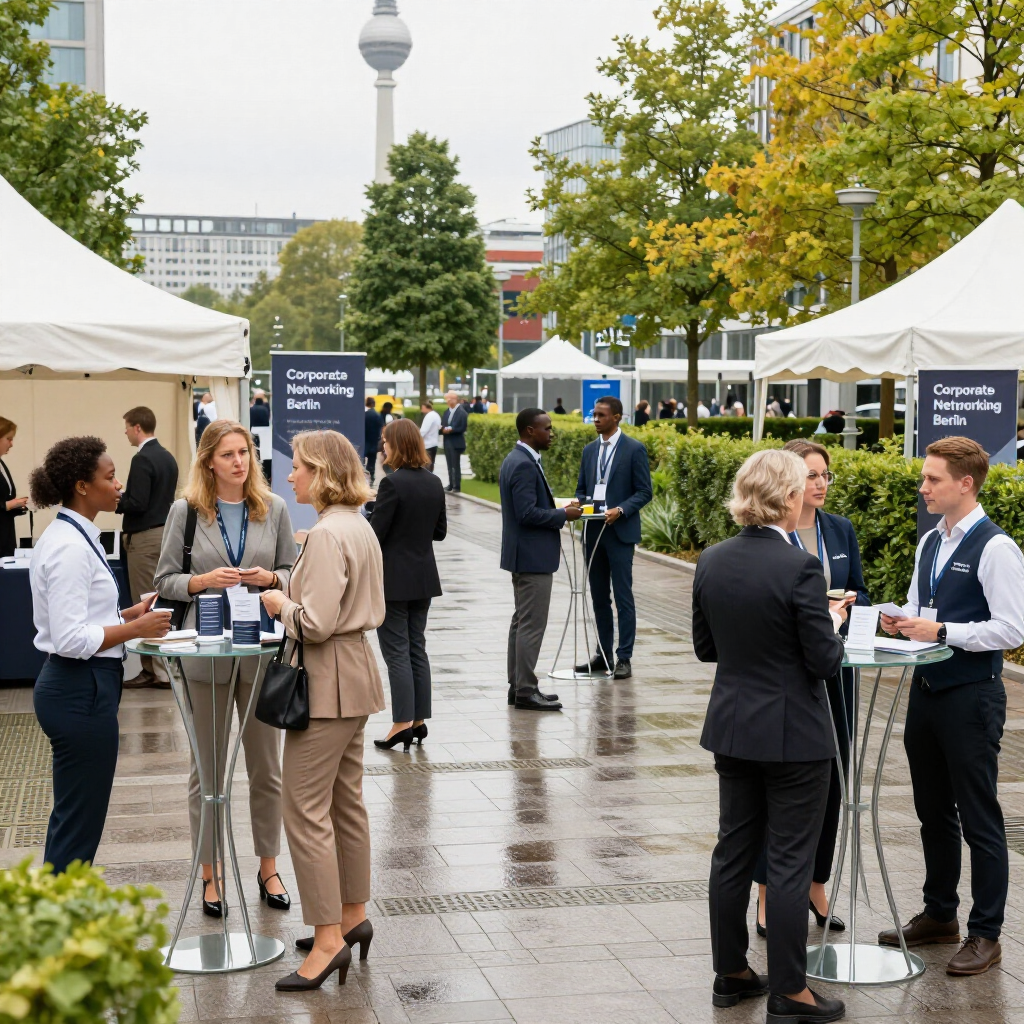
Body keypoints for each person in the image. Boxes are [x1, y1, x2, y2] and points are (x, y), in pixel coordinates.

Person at [693, 447, 847, 1022]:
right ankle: (790, 990)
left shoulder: (711, 559)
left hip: (733, 726)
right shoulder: (801, 567)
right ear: (786, 497)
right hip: (794, 734)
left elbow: (706, 647)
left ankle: (731, 973)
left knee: (732, 850)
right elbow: (824, 662)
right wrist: (830, 623)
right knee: (788, 861)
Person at [878, 436, 1024, 977]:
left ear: (966, 483)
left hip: (972, 698)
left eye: (933, 479)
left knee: (979, 818)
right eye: (924, 478)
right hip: (927, 692)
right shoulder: (929, 543)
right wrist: (901, 618)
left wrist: (940, 629)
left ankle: (987, 933)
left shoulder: (996, 548)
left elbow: (1012, 628)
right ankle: (941, 915)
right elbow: (922, 606)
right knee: (931, 813)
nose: (923, 488)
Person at [260, 430, 385, 992]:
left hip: (327, 675)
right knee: (344, 802)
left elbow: (314, 622)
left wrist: (279, 602)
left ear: (324, 472)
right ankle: (352, 914)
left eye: (299, 467)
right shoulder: (353, 524)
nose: (290, 476)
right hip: (354, 671)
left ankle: (328, 938)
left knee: (304, 809)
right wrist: (291, 580)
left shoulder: (331, 532)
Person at [155, 419, 296, 919]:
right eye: (230, 454)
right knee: (207, 769)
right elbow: (164, 580)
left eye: (245, 453)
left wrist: (270, 577)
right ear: (209, 461)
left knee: (266, 767)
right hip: (207, 651)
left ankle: (268, 866)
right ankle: (210, 872)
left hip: (258, 651)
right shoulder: (186, 512)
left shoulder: (273, 508)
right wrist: (201, 582)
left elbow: (292, 572)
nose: (240, 462)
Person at [29, 437, 172, 872]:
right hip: (80, 688)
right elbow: (71, 638)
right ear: (82, 487)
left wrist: (126, 613)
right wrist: (134, 629)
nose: (119, 485)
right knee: (78, 826)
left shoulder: (73, 534)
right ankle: (60, 929)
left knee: (75, 819)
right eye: (110, 478)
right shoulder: (70, 547)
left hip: (81, 687)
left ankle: (59, 921)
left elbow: (79, 618)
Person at [753, 439, 869, 938]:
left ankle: (816, 885)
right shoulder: (765, 536)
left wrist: (844, 603)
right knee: (775, 788)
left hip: (836, 671)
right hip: (786, 677)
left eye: (826, 475)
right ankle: (765, 893)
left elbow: (860, 590)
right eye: (811, 475)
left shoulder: (839, 529)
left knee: (833, 780)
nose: (820, 484)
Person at [370, 419, 446, 750]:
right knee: (417, 647)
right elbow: (439, 531)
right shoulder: (434, 481)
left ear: (397, 445)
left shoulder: (392, 484)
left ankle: (401, 723)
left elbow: (375, 534)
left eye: (385, 442)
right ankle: (418, 720)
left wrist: (371, 514)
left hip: (393, 582)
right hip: (423, 577)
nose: (382, 448)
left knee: (397, 651)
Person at [500, 408, 583, 712]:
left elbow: (530, 505)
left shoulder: (520, 459)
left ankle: (518, 686)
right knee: (531, 625)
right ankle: (525, 689)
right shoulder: (522, 463)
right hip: (532, 558)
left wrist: (560, 506)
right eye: (547, 428)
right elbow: (526, 513)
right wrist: (563, 515)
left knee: (521, 623)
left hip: (526, 555)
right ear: (530, 431)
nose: (552, 433)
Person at [573, 397, 652, 679]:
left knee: (622, 597)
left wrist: (621, 509)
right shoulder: (589, 451)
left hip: (619, 533)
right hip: (593, 532)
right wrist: (579, 503)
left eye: (601, 415)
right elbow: (583, 488)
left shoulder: (634, 449)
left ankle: (624, 658)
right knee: (598, 597)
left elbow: (644, 491)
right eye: (594, 415)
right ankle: (603, 654)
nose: (595, 419)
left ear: (617, 417)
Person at [118, 406, 179, 689]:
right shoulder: (167, 457)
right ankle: (161, 667)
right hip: (163, 534)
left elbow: (138, 503)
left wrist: (115, 497)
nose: (126, 432)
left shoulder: (141, 459)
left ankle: (157, 670)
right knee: (158, 598)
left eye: (128, 427)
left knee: (145, 603)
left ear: (138, 428)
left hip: (143, 537)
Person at [0, 417, 28, 557]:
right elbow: (4, 503)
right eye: (8, 439)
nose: (11, 444)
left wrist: (16, 507)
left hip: (6, 540)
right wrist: (7, 505)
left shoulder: (1, 465)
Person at [440, 391, 468, 493]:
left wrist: (452, 429)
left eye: (450, 399)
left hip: (456, 442)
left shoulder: (461, 412)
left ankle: (457, 485)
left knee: (455, 464)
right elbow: (443, 424)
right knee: (449, 463)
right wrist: (442, 429)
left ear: (455, 399)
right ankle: (451, 483)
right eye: (447, 399)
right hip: (447, 441)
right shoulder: (447, 412)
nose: (448, 401)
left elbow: (462, 427)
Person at [364, 398, 382, 484]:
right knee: (372, 461)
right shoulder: (377, 415)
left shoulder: (363, 414)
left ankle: (362, 476)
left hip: (363, 441)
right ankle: (371, 475)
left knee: (361, 459)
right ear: (373, 404)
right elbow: (380, 428)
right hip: (374, 441)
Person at [419, 400, 442, 471]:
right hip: (433, 443)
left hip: (427, 444)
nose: (421, 410)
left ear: (426, 407)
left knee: (426, 465)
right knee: (431, 464)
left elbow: (423, 430)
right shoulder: (436, 415)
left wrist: (416, 439)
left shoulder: (429, 416)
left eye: (422, 407)